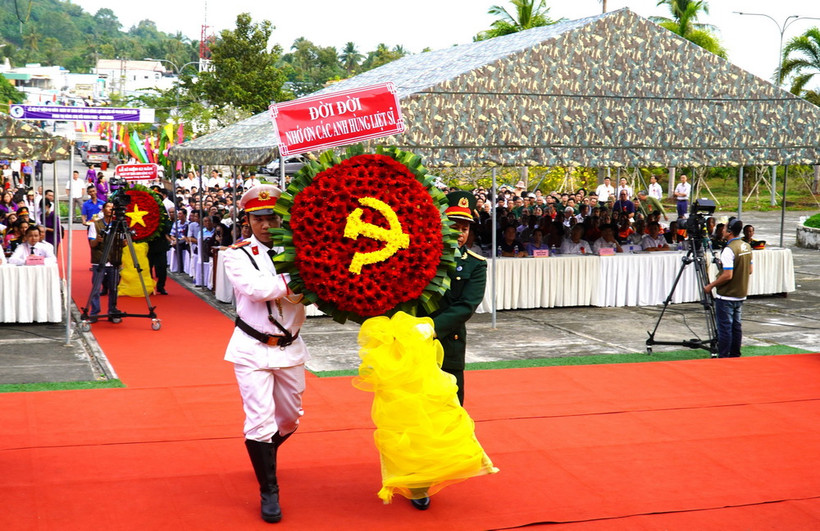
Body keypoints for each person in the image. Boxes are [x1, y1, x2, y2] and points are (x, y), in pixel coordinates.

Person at [222, 184, 309, 524]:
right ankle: (269, 490)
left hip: (289, 348)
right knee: (259, 421)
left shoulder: (300, 251)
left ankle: (263, 455)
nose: (266, 225)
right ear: (248, 221)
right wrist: (302, 275)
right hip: (252, 348)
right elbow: (256, 289)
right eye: (258, 219)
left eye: (272, 218)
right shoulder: (237, 254)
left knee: (289, 418)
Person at [423, 190, 487, 410]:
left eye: (465, 229)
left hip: (449, 342)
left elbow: (466, 306)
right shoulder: (423, 256)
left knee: (450, 408)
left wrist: (432, 327)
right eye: (454, 226)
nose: (460, 233)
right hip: (415, 342)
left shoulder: (476, 264)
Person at [704, 220, 754, 358]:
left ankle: (724, 356)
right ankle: (735, 354)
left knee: (725, 328)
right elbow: (750, 270)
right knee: (736, 326)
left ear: (730, 231)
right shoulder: (746, 246)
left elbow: (727, 275)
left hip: (727, 294)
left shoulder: (729, 249)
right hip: (740, 293)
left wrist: (711, 285)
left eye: (725, 228)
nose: (722, 230)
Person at [87, 201, 123, 323]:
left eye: (112, 207)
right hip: (99, 260)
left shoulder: (118, 225)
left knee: (114, 288)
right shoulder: (95, 225)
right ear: (103, 210)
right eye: (108, 207)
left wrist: (124, 243)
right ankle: (94, 312)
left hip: (113, 260)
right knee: (96, 288)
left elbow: (122, 243)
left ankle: (112, 311)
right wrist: (97, 240)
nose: (110, 209)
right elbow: (92, 244)